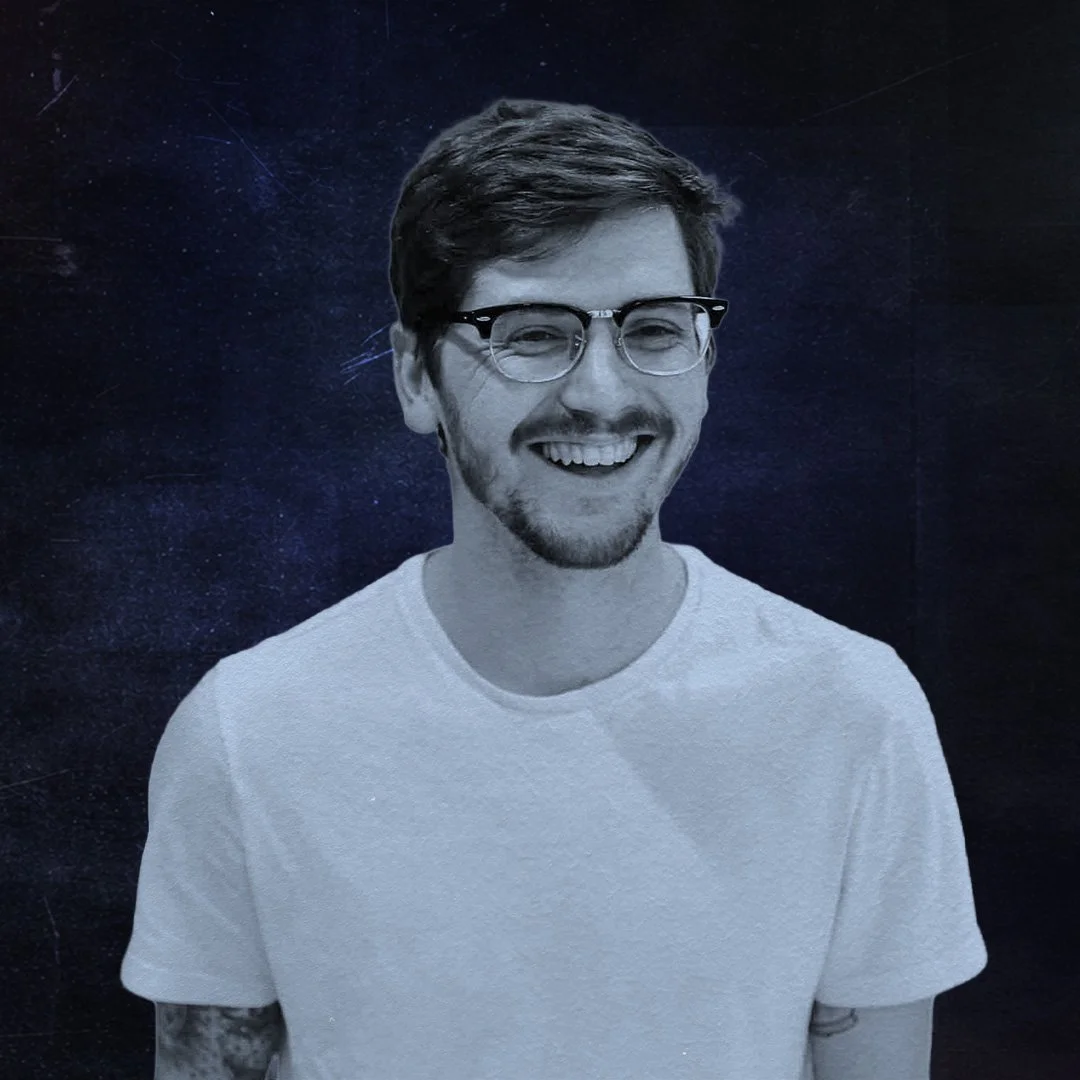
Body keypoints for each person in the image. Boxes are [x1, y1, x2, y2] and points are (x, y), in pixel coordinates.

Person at [120, 99, 988, 1080]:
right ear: (415, 376)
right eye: (533, 333)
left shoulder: (852, 711)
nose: (604, 394)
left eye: (656, 329)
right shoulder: (249, 734)